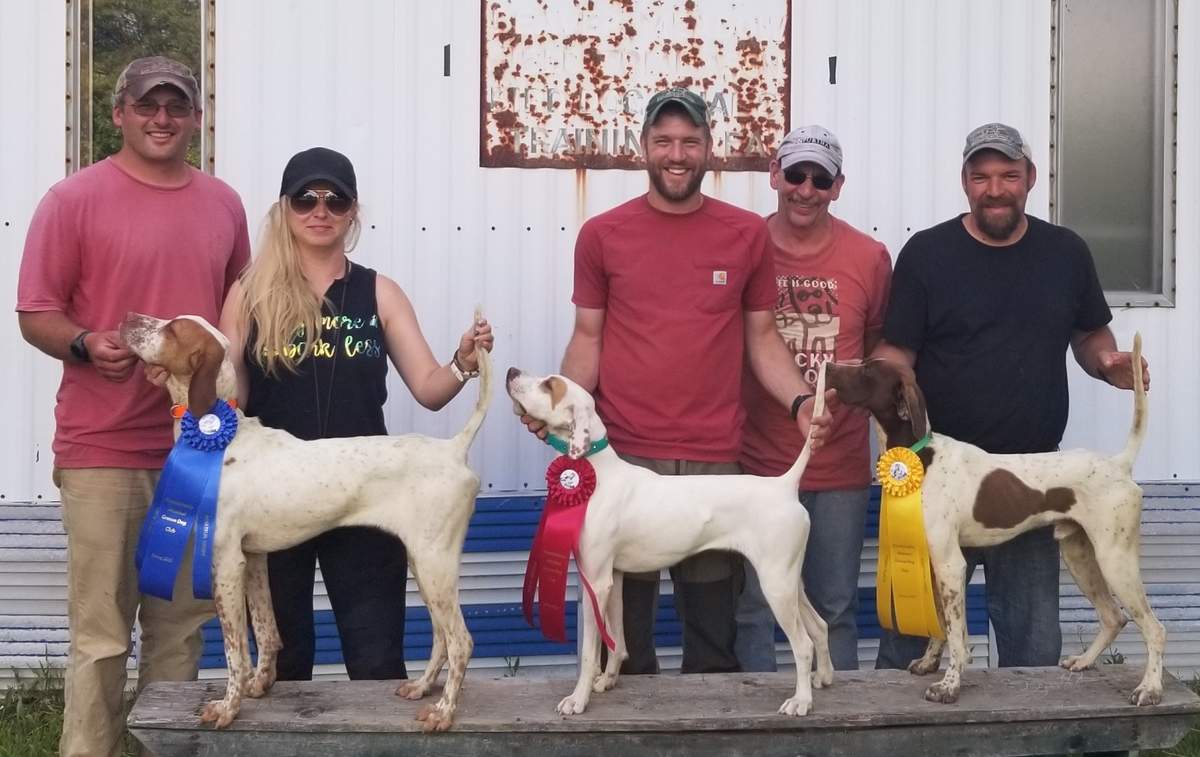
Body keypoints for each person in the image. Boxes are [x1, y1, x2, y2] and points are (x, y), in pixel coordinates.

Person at [524, 88, 814, 675]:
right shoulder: (604, 235)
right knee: (622, 645)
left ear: (710, 148)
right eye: (664, 141)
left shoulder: (745, 235)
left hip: (715, 465)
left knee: (712, 641)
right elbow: (588, 337)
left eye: (690, 141)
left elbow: (762, 338)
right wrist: (558, 418)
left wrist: (802, 401)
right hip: (623, 457)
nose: (676, 154)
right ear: (643, 148)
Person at [15, 56, 250, 757]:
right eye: (147, 105)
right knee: (102, 631)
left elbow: (235, 316)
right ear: (118, 114)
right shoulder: (72, 200)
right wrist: (86, 343)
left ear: (196, 120)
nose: (162, 118)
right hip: (102, 450)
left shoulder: (224, 203)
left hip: (196, 449)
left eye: (177, 106)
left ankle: (164, 748)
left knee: (181, 628)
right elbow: (35, 312)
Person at [871, 122, 1149, 672]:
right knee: (909, 644)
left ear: (1030, 179)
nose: (995, 188)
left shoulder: (1066, 252)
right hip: (936, 478)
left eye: (1008, 175)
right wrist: (874, 388)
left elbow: (1091, 335)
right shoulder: (926, 254)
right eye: (981, 176)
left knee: (1032, 653)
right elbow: (896, 353)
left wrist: (1108, 364)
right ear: (965, 183)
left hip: (1031, 482)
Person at [218, 147, 493, 682]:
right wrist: (186, 383)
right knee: (285, 660)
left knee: (375, 659)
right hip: (275, 496)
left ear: (353, 212)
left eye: (335, 199)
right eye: (305, 199)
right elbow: (232, 398)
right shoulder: (249, 292)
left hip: (368, 492)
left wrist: (463, 362)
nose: (320, 211)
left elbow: (429, 390)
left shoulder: (378, 291)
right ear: (283, 209)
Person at [736, 125, 891, 672]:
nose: (805, 189)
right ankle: (758, 729)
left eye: (819, 178)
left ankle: (839, 726)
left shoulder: (869, 256)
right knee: (756, 607)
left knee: (835, 606)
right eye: (795, 174)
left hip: (839, 463)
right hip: (757, 461)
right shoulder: (744, 244)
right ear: (774, 175)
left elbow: (877, 353)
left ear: (838, 186)